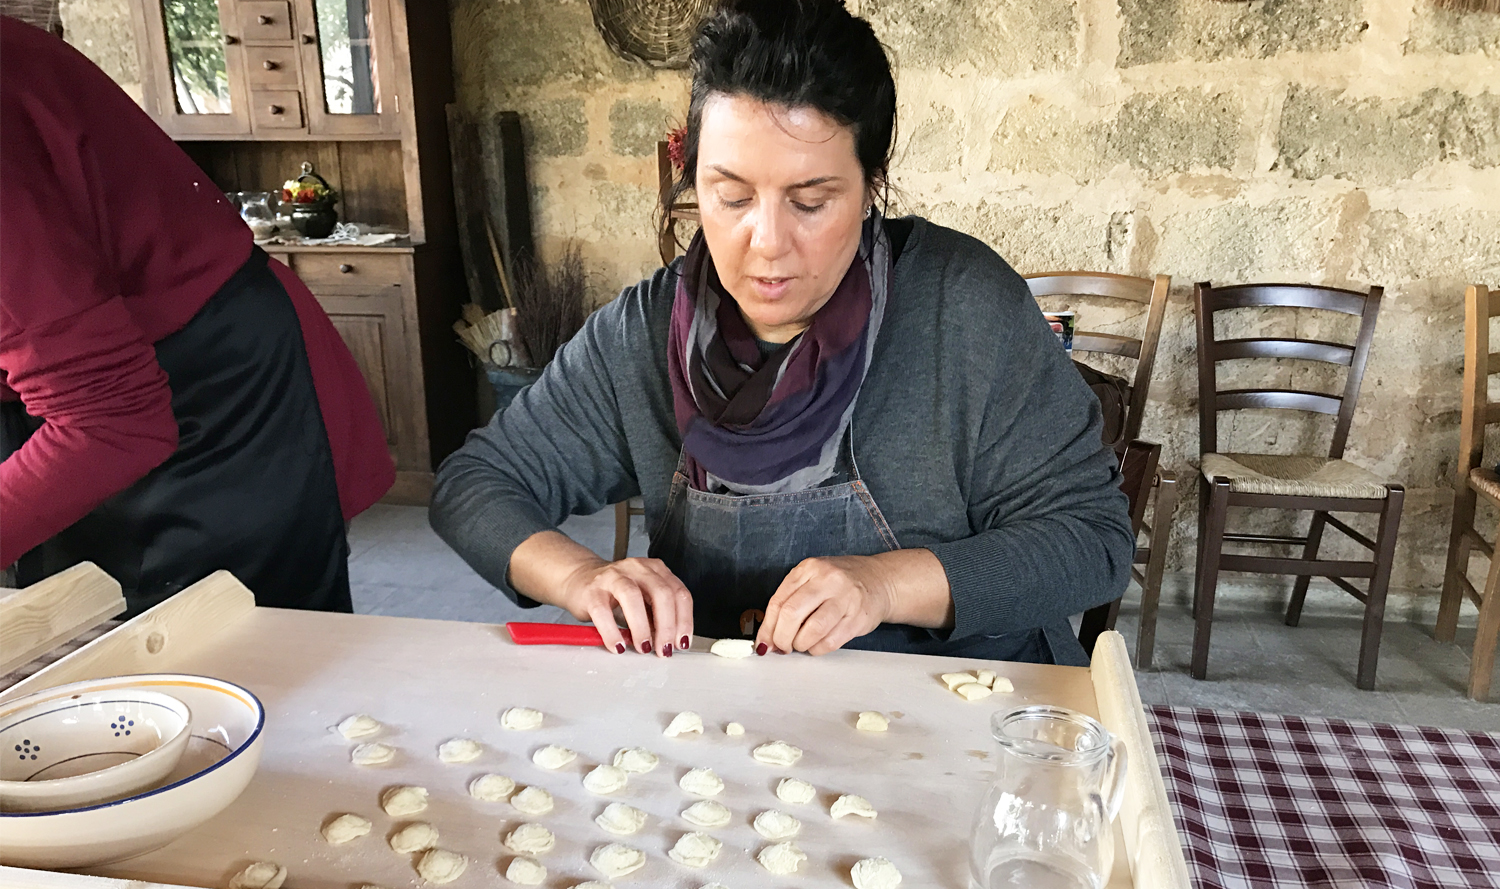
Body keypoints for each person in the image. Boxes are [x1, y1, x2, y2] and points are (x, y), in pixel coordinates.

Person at [431, 0, 1132, 665]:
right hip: (740, 724)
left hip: (964, 712)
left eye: (811, 201)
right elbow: (476, 483)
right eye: (731, 196)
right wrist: (583, 577)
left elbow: (1091, 542)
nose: (766, 243)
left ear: (869, 189)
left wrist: (884, 585)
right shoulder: (644, 334)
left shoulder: (965, 309)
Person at [0, 17, 394, 614]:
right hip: (78, 395)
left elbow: (112, 420)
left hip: (214, 392)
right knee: (84, 645)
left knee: (240, 665)